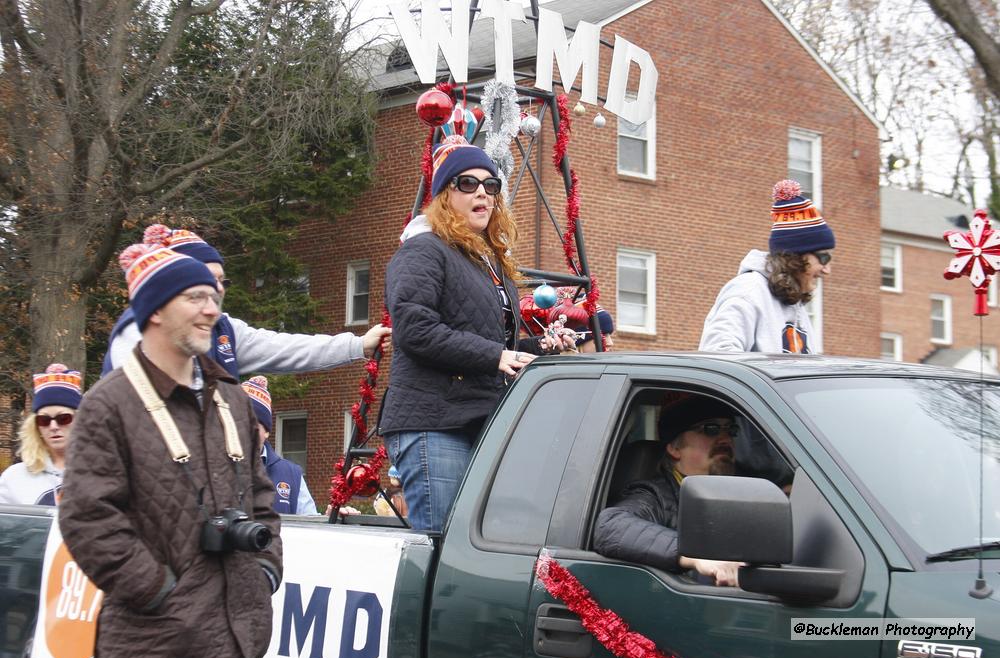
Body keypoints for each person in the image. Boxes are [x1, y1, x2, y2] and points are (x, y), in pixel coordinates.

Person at [59, 242, 281, 658]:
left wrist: (264, 572)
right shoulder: (108, 405)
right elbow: (87, 518)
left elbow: (261, 497)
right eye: (194, 297)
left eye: (213, 298)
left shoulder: (232, 401)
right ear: (155, 310)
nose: (211, 310)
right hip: (153, 644)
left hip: (238, 639)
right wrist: (159, 591)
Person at [381, 136, 575, 531]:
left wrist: (538, 346)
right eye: (467, 183)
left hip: (478, 419)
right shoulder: (423, 250)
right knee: (442, 549)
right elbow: (415, 329)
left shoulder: (488, 263)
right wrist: (497, 356)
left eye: (491, 185)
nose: (482, 192)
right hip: (432, 423)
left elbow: (489, 344)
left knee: (475, 546)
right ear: (443, 195)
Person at [102, 220, 389, 378]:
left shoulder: (225, 329)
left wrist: (357, 344)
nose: (217, 290)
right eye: (204, 280)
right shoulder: (136, 329)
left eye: (221, 281)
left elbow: (285, 348)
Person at [593, 393, 743, 586]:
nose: (725, 439)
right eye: (711, 429)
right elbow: (610, 526)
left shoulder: (744, 492)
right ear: (674, 447)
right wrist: (694, 555)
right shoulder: (655, 496)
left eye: (731, 430)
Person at [699, 180, 834, 353]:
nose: (827, 269)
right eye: (823, 257)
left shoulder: (793, 303)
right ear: (795, 257)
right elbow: (719, 357)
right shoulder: (748, 292)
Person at [0, 364, 82, 505]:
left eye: (63, 419)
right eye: (44, 420)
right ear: (36, 427)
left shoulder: (105, 472)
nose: (53, 426)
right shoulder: (14, 478)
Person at [241, 375, 319, 515]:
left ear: (267, 432)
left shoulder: (291, 474)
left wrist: (333, 518)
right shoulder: (216, 467)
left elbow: (311, 524)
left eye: (254, 422)